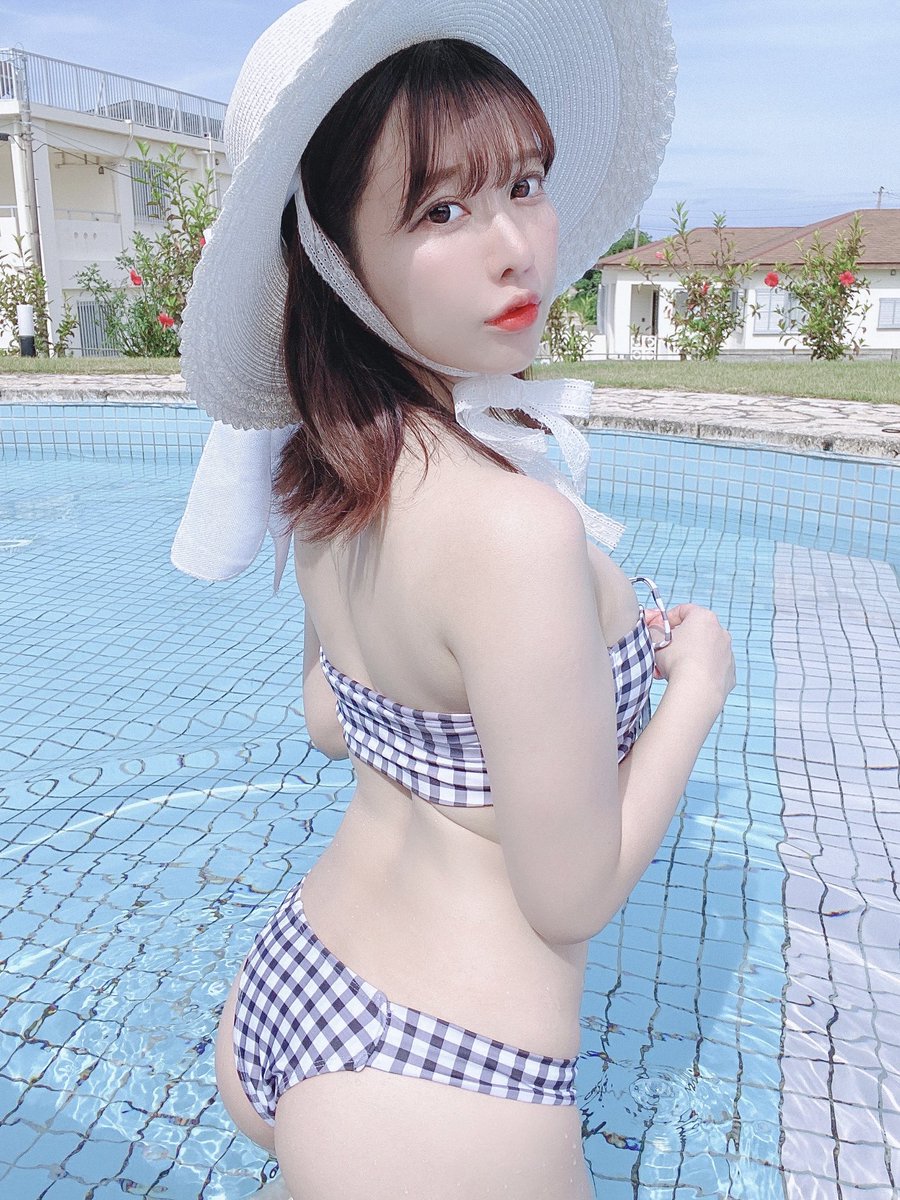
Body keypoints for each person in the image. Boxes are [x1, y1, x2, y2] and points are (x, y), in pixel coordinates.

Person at [171, 2, 735, 1195]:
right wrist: (696, 689)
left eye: (524, 184)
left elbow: (334, 717)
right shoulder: (513, 529)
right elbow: (569, 895)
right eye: (441, 209)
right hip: (443, 1074)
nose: (517, 244)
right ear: (341, 260)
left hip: (300, 977)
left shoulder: (330, 472)